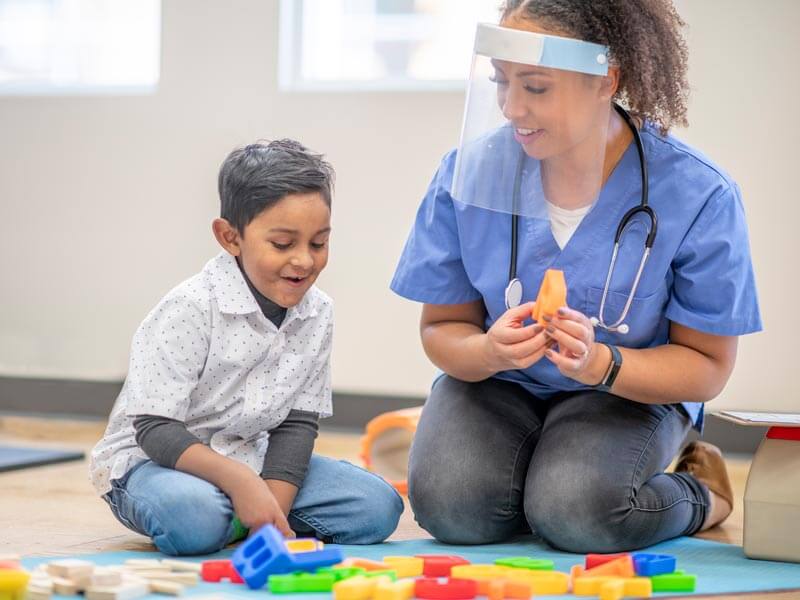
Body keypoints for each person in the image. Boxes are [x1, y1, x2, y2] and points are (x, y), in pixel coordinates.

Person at [391, 0, 761, 553]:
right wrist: (489, 352)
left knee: (578, 514)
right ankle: (534, 478)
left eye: (536, 87)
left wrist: (601, 364)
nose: (512, 108)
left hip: (625, 393)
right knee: (453, 509)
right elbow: (442, 328)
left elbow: (707, 367)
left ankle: (701, 489)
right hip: (499, 385)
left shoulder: (698, 194)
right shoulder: (468, 176)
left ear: (605, 80)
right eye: (501, 82)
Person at [90, 139, 403, 556]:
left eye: (318, 243)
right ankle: (226, 511)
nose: (304, 261)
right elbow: (155, 429)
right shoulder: (190, 307)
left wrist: (271, 507)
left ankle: (239, 516)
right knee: (193, 517)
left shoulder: (318, 313)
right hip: (156, 462)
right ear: (230, 237)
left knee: (375, 508)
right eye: (282, 244)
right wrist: (242, 484)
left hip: (251, 457)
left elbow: (296, 425)